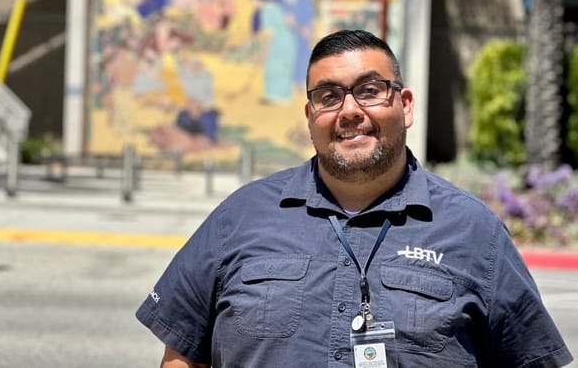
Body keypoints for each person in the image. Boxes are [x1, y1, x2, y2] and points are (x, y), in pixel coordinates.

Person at [136, 30, 573, 367]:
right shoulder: (241, 216)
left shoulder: (474, 231)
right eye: (328, 96)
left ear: (404, 105)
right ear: (310, 118)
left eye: (369, 90)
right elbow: (183, 355)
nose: (348, 111)